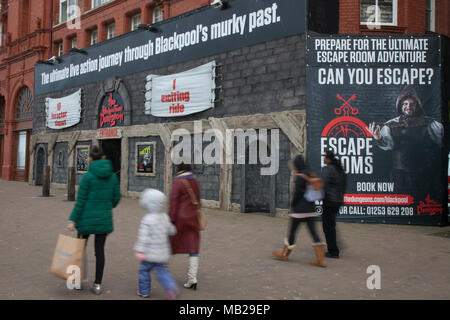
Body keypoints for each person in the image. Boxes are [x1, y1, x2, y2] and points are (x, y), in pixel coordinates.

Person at [367, 85, 443, 197]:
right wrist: (379, 138)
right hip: (399, 174)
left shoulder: (429, 123)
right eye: (405, 104)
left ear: (417, 105)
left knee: (421, 200)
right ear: (400, 105)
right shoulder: (391, 124)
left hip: (422, 173)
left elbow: (441, 140)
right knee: (399, 200)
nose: (409, 107)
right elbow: (387, 145)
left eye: (412, 104)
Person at [67, 145, 121, 295]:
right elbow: (116, 199)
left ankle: (76, 281)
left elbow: (80, 202)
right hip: (103, 221)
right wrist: (106, 206)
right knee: (100, 252)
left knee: (79, 250)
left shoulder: (87, 177)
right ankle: (97, 284)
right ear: (104, 157)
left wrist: (72, 220)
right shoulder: (112, 177)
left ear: (90, 159)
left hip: (85, 222)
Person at [272, 155, 326, 268]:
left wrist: (293, 204)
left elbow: (297, 193)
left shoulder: (300, 176)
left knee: (292, 233)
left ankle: (284, 254)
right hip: (310, 209)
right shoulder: (310, 173)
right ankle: (321, 259)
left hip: (299, 211)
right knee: (314, 233)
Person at [134, 189, 179, 299]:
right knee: (162, 271)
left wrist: (139, 250)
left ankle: (144, 291)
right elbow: (172, 230)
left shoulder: (147, 219)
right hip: (163, 252)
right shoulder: (165, 217)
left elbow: (143, 237)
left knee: (144, 271)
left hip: (149, 254)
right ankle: (171, 287)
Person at [169, 163, 201, 289]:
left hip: (180, 219)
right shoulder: (195, 181)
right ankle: (192, 279)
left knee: (172, 244)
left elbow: (173, 202)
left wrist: (171, 219)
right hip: (193, 218)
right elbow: (198, 200)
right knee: (194, 248)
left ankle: (162, 270)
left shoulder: (178, 182)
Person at [321, 150, 346, 259]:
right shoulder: (339, 169)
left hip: (329, 202)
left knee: (328, 227)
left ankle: (333, 251)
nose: (323, 159)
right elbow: (344, 186)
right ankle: (334, 247)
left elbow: (324, 185)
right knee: (331, 225)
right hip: (338, 201)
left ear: (328, 159)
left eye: (325, 157)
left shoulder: (328, 169)